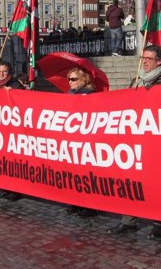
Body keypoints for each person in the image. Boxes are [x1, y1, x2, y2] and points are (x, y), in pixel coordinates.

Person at [110, 45, 161, 238]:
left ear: (159, 61)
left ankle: (159, 222)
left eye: (149, 58)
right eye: (143, 57)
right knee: (130, 182)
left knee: (157, 184)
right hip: (136, 139)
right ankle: (128, 220)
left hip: (158, 141)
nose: (145, 61)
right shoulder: (137, 79)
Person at [63, 67, 99, 218]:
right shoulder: (68, 95)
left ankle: (89, 207)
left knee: (85, 175)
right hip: (71, 139)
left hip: (85, 140)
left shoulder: (91, 95)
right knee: (72, 173)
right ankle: (75, 203)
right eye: (69, 79)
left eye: (74, 79)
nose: (70, 82)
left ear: (83, 79)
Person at [0, 62, 24, 201]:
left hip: (12, 129)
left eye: (5, 71)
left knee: (12, 161)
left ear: (9, 72)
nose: (2, 74)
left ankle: (15, 190)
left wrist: (13, 93)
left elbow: (24, 101)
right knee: (1, 160)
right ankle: (4, 187)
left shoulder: (16, 85)